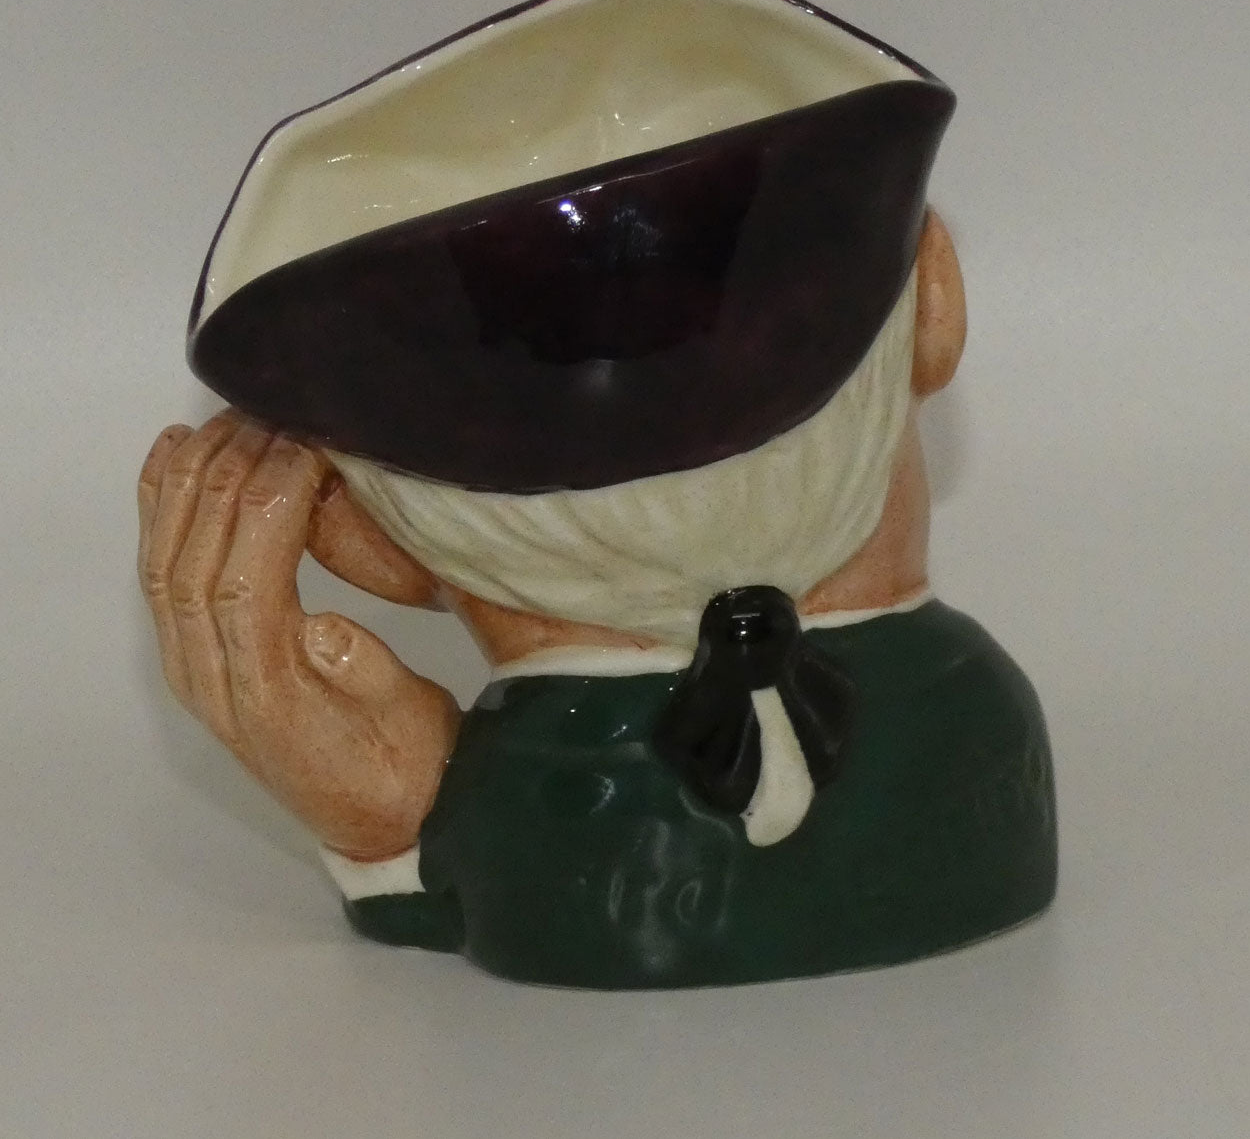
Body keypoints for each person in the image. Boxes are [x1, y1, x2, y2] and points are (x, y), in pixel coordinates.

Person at [138, 210, 1057, 988]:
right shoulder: (975, 714)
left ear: (353, 529)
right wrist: (394, 831)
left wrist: (401, 848)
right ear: (935, 299)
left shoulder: (525, 813)